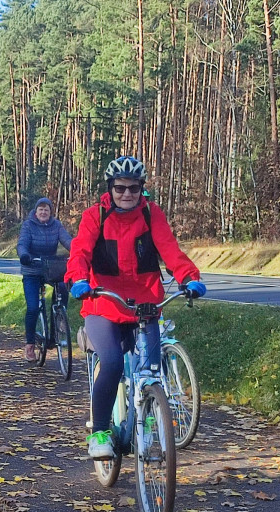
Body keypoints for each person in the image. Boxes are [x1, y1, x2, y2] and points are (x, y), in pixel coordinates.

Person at [65, 156, 206, 459]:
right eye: (120, 188)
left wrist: (189, 278)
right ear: (110, 188)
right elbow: (79, 253)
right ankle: (100, 432)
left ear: (142, 189)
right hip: (103, 303)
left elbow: (170, 250)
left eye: (133, 188)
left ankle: (150, 418)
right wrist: (78, 279)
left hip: (145, 303)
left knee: (151, 369)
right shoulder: (95, 216)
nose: (126, 194)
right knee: (114, 363)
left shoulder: (151, 215)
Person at [17, 197, 72, 362]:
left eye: (46, 209)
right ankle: (30, 344)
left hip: (51, 268)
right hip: (32, 268)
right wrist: (25, 255)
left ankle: (59, 320)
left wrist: (78, 251)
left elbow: (68, 241)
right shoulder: (28, 225)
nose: (43, 212)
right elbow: (22, 244)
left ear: (50, 212)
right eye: (40, 209)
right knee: (33, 307)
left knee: (62, 287)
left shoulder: (56, 225)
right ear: (36, 211)